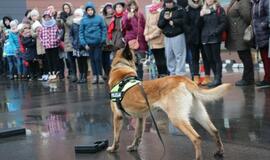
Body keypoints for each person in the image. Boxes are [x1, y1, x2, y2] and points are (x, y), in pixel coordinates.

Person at [226, 0, 254, 86]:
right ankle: (247, 78)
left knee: (245, 57)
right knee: (243, 56)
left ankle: (247, 79)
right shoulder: (235, 1)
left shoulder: (243, 2)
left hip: (241, 33)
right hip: (236, 34)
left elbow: (248, 17)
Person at [200, 0, 227, 88]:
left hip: (214, 38)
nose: (209, 0)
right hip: (205, 38)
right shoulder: (203, 9)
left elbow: (223, 23)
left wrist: (216, 32)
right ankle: (216, 77)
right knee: (209, 59)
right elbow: (199, 25)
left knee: (216, 59)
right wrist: (200, 16)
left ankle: (218, 78)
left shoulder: (219, 9)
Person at [158, 0, 188, 76]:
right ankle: (172, 74)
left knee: (179, 55)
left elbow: (185, 21)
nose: (168, 4)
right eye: (167, 3)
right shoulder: (163, 11)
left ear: (172, 2)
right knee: (169, 56)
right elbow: (159, 25)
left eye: (169, 2)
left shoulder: (180, 9)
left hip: (178, 35)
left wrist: (174, 21)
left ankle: (180, 74)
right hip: (167, 37)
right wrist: (165, 19)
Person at [79, 2, 107, 84]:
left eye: (91, 10)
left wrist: (102, 39)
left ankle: (100, 75)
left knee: (98, 59)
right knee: (92, 60)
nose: (90, 11)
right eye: (88, 10)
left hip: (98, 43)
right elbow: (81, 33)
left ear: (94, 10)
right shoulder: (83, 20)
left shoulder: (99, 18)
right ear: (86, 11)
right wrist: (84, 44)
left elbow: (103, 29)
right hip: (88, 44)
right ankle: (95, 76)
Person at [186, 0, 211, 85]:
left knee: (206, 58)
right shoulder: (187, 9)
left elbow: (207, 21)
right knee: (194, 58)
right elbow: (185, 24)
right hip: (192, 38)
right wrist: (190, 32)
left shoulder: (204, 7)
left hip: (203, 36)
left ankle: (207, 77)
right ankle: (196, 77)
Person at [122, 0, 148, 80]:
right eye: (131, 5)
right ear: (128, 6)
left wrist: (145, 38)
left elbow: (144, 26)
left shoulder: (140, 14)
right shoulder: (126, 15)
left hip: (141, 41)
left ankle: (140, 78)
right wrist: (128, 19)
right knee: (132, 61)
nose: (132, 7)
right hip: (131, 42)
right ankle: (133, 78)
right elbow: (126, 27)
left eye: (134, 5)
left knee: (140, 62)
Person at [144, 0, 167, 77]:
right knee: (157, 60)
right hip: (151, 41)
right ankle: (160, 75)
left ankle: (164, 75)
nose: (154, 1)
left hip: (159, 40)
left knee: (161, 59)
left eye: (156, 0)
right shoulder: (149, 12)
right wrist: (145, 34)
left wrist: (150, 36)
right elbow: (147, 25)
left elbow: (160, 28)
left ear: (160, 2)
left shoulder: (161, 12)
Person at [252, 0, 270, 87]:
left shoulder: (265, 1)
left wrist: (262, 25)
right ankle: (267, 78)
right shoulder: (255, 3)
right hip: (259, 34)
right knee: (264, 57)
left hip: (266, 33)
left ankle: (268, 79)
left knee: (267, 57)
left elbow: (269, 16)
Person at [39, 10, 60, 82]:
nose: (47, 18)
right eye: (45, 17)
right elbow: (40, 36)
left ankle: (56, 72)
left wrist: (57, 40)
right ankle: (51, 72)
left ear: (51, 17)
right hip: (47, 46)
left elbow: (59, 34)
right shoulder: (42, 26)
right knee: (49, 60)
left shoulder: (55, 25)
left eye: (48, 17)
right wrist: (43, 42)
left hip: (54, 45)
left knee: (55, 59)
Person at [70, 8, 89, 84]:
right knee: (79, 61)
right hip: (76, 46)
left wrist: (85, 43)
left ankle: (84, 76)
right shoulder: (73, 23)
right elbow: (71, 34)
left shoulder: (84, 22)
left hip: (84, 45)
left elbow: (87, 33)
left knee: (84, 61)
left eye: (79, 14)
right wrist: (73, 42)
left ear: (81, 14)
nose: (77, 15)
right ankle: (80, 75)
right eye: (76, 14)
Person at [60, 2, 77, 82]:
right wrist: (59, 19)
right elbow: (59, 26)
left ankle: (79, 74)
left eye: (67, 8)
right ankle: (73, 74)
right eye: (64, 8)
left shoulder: (73, 16)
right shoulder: (64, 16)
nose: (66, 10)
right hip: (67, 39)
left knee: (77, 58)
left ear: (70, 8)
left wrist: (65, 19)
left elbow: (72, 25)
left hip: (74, 39)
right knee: (70, 59)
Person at [30, 9, 47, 81]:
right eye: (32, 16)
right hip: (38, 44)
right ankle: (42, 73)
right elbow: (32, 34)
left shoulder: (42, 22)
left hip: (44, 43)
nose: (34, 17)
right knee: (40, 60)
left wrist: (40, 32)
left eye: (35, 15)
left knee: (45, 59)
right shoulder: (32, 25)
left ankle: (47, 73)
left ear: (38, 15)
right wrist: (37, 33)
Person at [101, 3, 114, 79]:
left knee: (113, 58)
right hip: (105, 41)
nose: (109, 10)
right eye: (107, 8)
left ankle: (112, 72)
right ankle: (107, 72)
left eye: (110, 8)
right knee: (104, 58)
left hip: (114, 40)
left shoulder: (115, 18)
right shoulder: (103, 18)